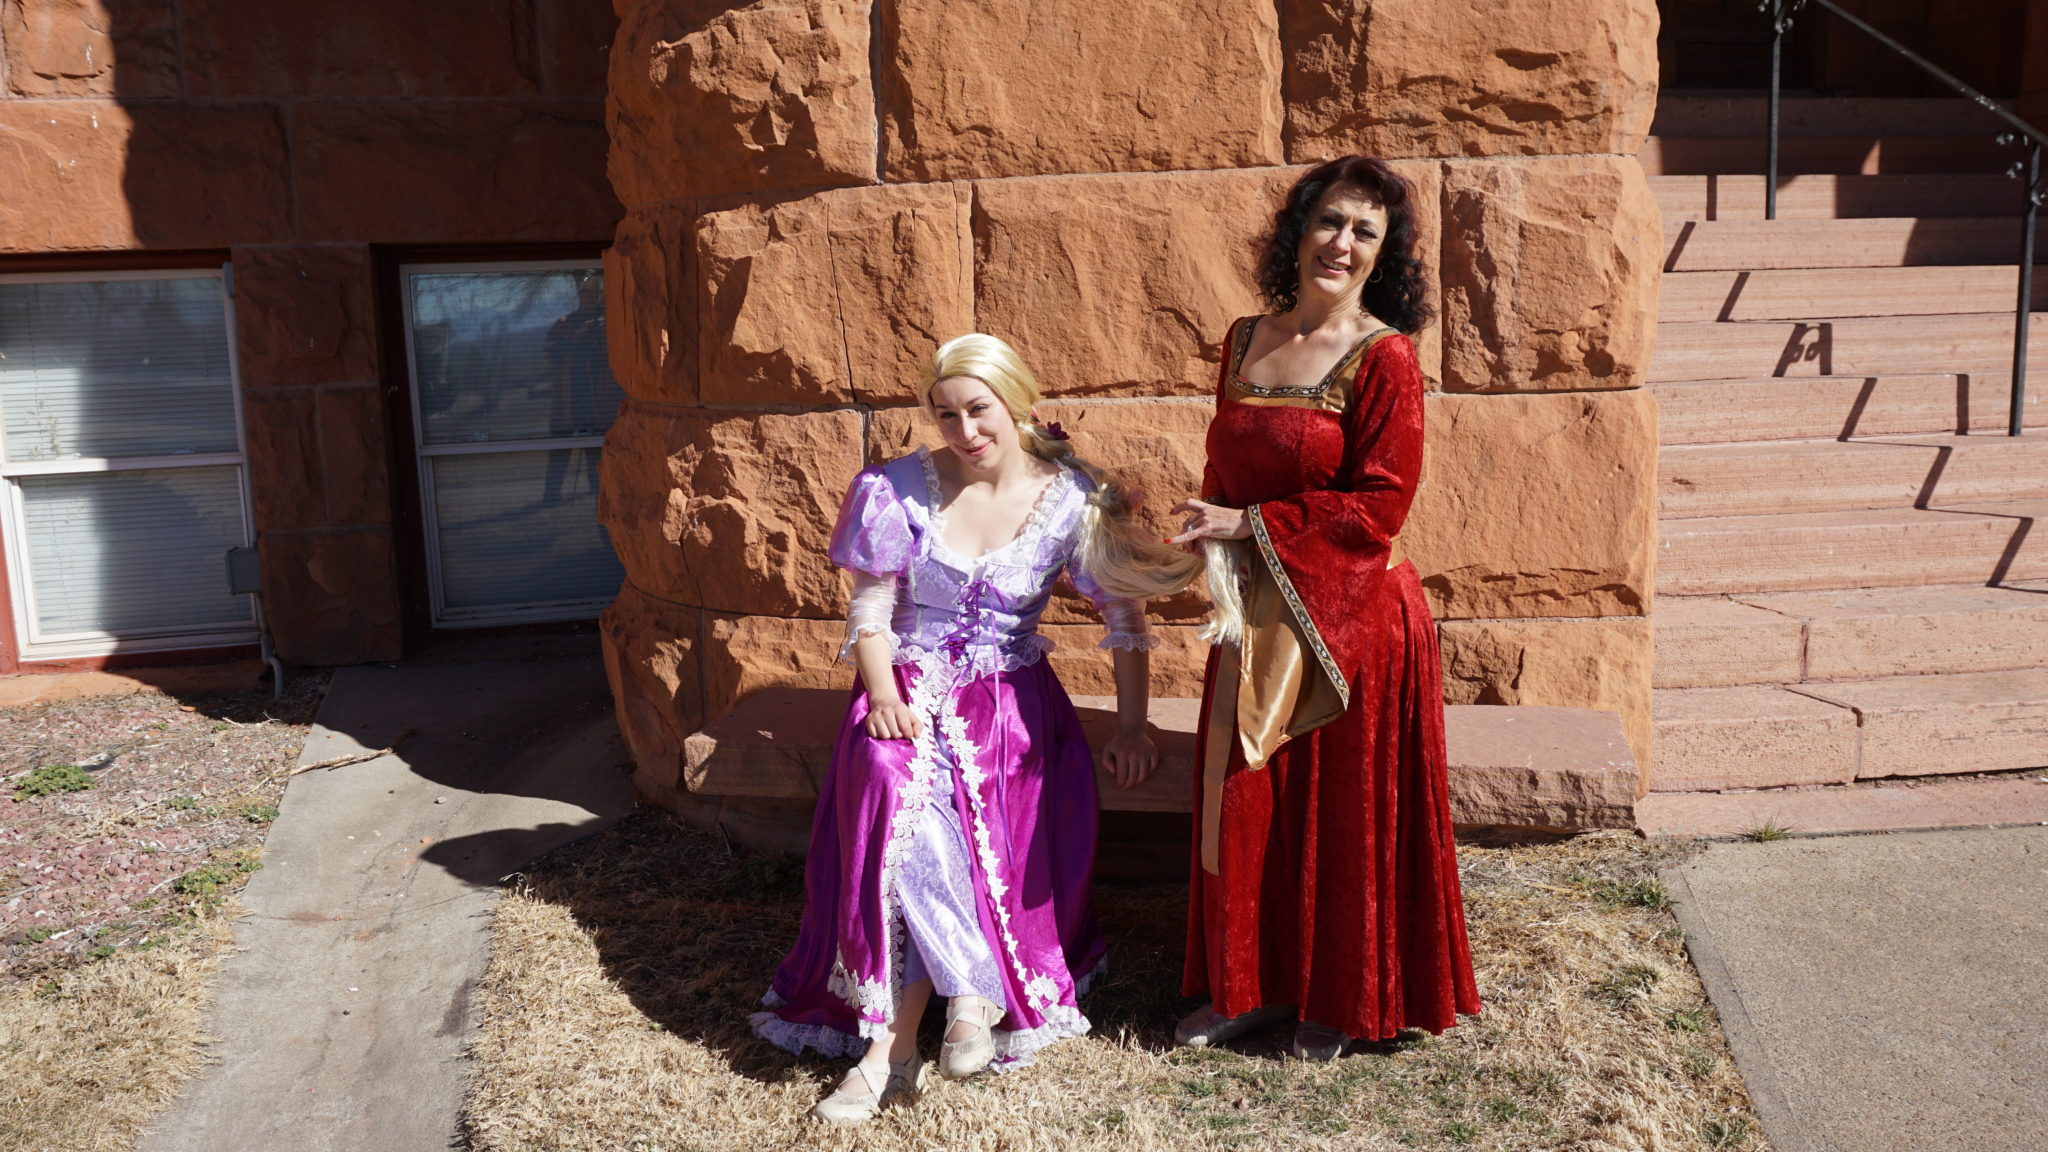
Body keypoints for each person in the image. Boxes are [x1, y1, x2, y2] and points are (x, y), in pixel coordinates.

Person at [751, 333, 1200, 1123]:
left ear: (1018, 402)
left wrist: (1133, 727)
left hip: (1011, 707)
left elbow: (1125, 619)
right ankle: (956, 1001)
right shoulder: (894, 489)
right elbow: (870, 610)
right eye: (946, 414)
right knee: (897, 790)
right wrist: (881, 694)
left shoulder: (1069, 499)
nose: (964, 431)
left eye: (979, 410)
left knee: (971, 790)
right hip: (905, 686)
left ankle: (898, 1052)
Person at [1166, 155, 1482, 1061]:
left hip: (1354, 622)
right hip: (1255, 609)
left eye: (1365, 232)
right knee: (1246, 799)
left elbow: (1382, 504)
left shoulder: (1385, 358)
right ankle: (1245, 987)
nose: (1342, 243)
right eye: (1330, 221)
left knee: (1342, 815)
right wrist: (1203, 530)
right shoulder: (1242, 340)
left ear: (1385, 255)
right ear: (1298, 230)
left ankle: (1339, 1000)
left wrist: (1250, 524)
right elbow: (1227, 466)